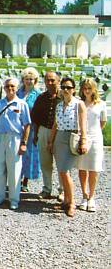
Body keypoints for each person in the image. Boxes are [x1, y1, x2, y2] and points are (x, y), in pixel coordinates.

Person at [47, 77, 87, 217]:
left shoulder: (79, 104)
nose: (65, 90)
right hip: (59, 139)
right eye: (63, 87)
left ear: (73, 90)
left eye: (69, 87)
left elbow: (83, 124)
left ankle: (72, 203)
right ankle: (66, 201)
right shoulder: (59, 105)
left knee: (65, 171)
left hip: (72, 138)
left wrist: (83, 140)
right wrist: (50, 141)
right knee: (61, 172)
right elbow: (55, 125)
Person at [0, 78, 31, 210]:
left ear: (17, 87)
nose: (10, 88)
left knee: (14, 169)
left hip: (15, 138)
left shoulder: (21, 104)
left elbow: (26, 125)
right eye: (7, 86)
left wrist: (24, 143)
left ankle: (14, 199)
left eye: (12, 86)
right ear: (4, 87)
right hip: (0, 136)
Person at [31, 71, 63, 200]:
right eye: (47, 80)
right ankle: (47, 188)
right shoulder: (41, 98)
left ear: (58, 81)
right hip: (44, 130)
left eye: (52, 80)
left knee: (62, 163)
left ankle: (62, 190)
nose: (49, 83)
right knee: (45, 162)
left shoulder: (64, 97)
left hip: (60, 132)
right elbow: (36, 118)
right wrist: (35, 135)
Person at [77, 78, 106, 212]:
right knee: (82, 168)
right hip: (81, 138)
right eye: (85, 88)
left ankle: (92, 197)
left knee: (93, 168)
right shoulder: (79, 103)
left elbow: (102, 122)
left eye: (89, 88)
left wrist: (93, 133)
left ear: (94, 89)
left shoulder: (101, 104)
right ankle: (84, 195)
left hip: (95, 138)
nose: (87, 91)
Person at [17, 67, 42, 192]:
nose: (29, 81)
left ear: (35, 80)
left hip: (32, 128)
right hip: (18, 126)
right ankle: (16, 178)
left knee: (28, 154)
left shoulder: (38, 94)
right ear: (23, 80)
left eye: (31, 79)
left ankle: (25, 181)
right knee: (17, 152)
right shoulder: (18, 93)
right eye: (27, 79)